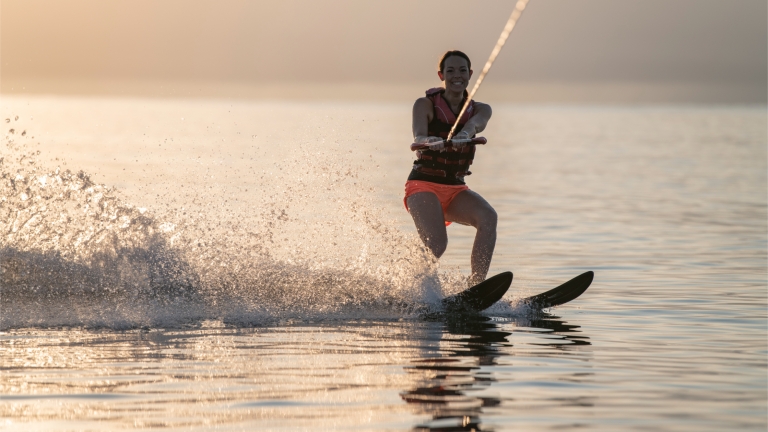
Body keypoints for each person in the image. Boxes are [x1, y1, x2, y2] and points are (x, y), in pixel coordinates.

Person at [404, 50, 496, 287]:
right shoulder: (424, 104)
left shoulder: (480, 108)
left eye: (462, 70)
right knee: (436, 244)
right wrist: (430, 141)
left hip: (455, 189)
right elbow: (419, 135)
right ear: (441, 75)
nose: (457, 75)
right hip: (423, 185)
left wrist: (465, 134)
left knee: (488, 217)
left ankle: (476, 287)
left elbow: (478, 124)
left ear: (470, 74)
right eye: (451, 70)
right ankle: (412, 289)